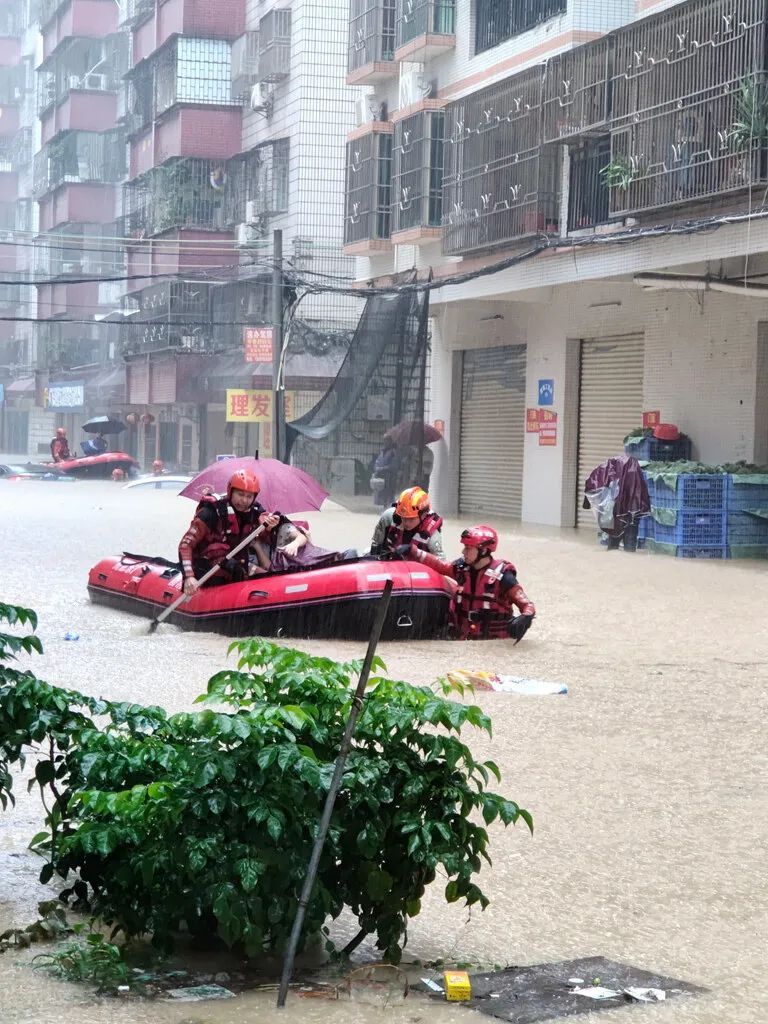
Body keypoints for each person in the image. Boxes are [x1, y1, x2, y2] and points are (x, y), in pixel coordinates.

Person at [409, 525, 536, 642]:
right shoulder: (461, 569)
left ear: (484, 550)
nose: (463, 552)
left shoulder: (504, 577)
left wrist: (525, 618)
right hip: (463, 639)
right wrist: (413, 551)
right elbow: (440, 565)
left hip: (494, 644)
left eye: (468, 548)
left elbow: (528, 605)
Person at [178, 468, 279, 596]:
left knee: (266, 578)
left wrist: (269, 527)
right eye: (240, 495)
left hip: (237, 566)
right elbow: (186, 545)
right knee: (233, 568)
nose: (244, 501)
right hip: (206, 568)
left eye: (249, 496)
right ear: (230, 492)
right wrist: (189, 577)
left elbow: (264, 534)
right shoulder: (210, 513)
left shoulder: (255, 513)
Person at [370, 486, 444, 557]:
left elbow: (441, 565)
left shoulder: (432, 536)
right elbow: (375, 545)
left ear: (424, 515)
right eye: (404, 518)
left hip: (416, 568)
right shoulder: (388, 518)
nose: (406, 523)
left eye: (411, 519)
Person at [370, 437, 399, 509]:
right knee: (383, 492)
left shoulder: (393, 452)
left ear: (390, 443)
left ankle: (390, 507)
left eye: (387, 441)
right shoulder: (382, 451)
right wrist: (376, 468)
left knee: (389, 492)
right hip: (382, 475)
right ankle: (384, 506)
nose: (385, 443)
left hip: (389, 476)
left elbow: (393, 465)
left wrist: (382, 468)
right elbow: (378, 461)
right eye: (385, 441)